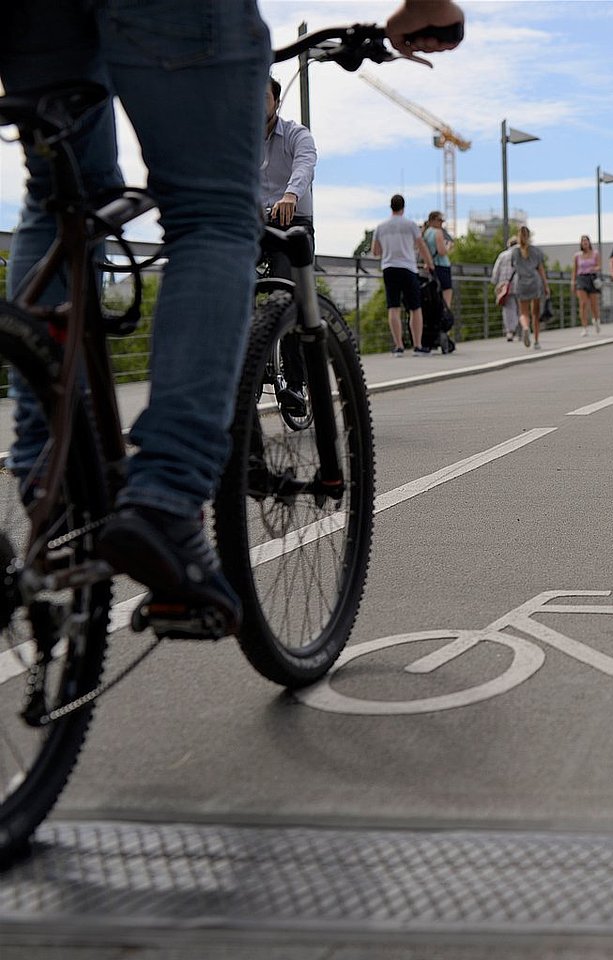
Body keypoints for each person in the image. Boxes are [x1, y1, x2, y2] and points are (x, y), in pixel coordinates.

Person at [0, 0, 462, 631]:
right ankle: (165, 496)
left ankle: (46, 474)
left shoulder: (296, 138)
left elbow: (303, 166)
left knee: (57, 200)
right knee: (213, 213)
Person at [260, 76, 317, 283]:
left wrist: (290, 195)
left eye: (264, 97)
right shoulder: (242, 142)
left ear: (277, 102)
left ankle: (286, 310)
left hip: (293, 221)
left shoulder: (297, 134)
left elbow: (305, 165)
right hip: (257, 221)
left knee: (285, 285)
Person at [372, 193, 436, 355]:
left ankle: (398, 346)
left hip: (389, 267)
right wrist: (429, 264)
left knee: (393, 307)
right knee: (415, 307)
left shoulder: (381, 227)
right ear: (403, 207)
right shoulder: (410, 225)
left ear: (391, 207)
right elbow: (421, 245)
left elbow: (375, 251)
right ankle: (417, 345)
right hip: (408, 267)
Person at [509, 225, 549, 349]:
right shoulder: (536, 251)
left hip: (521, 283)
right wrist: (546, 285)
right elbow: (541, 269)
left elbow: (512, 267)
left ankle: (525, 328)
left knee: (523, 313)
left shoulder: (514, 251)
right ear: (529, 236)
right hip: (534, 282)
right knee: (535, 314)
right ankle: (536, 341)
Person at [422, 210, 454, 309]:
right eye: (440, 220)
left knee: (434, 294)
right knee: (446, 295)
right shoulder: (438, 232)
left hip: (431, 266)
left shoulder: (426, 233)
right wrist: (448, 246)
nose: (441, 223)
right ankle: (445, 318)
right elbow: (442, 251)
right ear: (433, 220)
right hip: (442, 266)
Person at [492, 234, 521, 342]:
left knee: (508, 309)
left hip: (505, 285)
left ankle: (510, 331)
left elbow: (496, 270)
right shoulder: (521, 254)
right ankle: (521, 329)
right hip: (520, 284)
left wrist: (496, 283)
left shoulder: (503, 255)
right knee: (521, 308)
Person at [573, 235, 602, 336]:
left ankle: (596, 320)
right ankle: (584, 328)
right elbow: (575, 270)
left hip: (592, 278)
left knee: (594, 304)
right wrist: (573, 282)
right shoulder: (577, 255)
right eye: (583, 241)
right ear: (581, 243)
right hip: (581, 279)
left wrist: (594, 269)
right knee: (583, 304)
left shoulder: (595, 253)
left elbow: (599, 266)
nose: (585, 243)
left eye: (586, 241)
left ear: (589, 242)